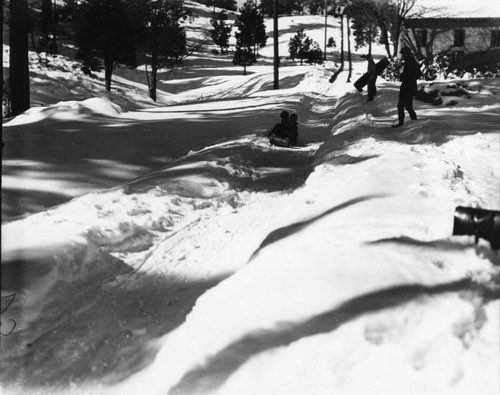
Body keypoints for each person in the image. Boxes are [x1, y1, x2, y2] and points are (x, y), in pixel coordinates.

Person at [392, 47, 421, 128]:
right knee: (408, 107)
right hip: (409, 86)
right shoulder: (411, 62)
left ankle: (402, 124)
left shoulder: (410, 62)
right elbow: (418, 74)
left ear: (407, 54)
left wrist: (405, 77)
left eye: (403, 54)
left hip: (407, 87)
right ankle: (414, 123)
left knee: (401, 106)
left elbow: (415, 74)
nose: (402, 55)